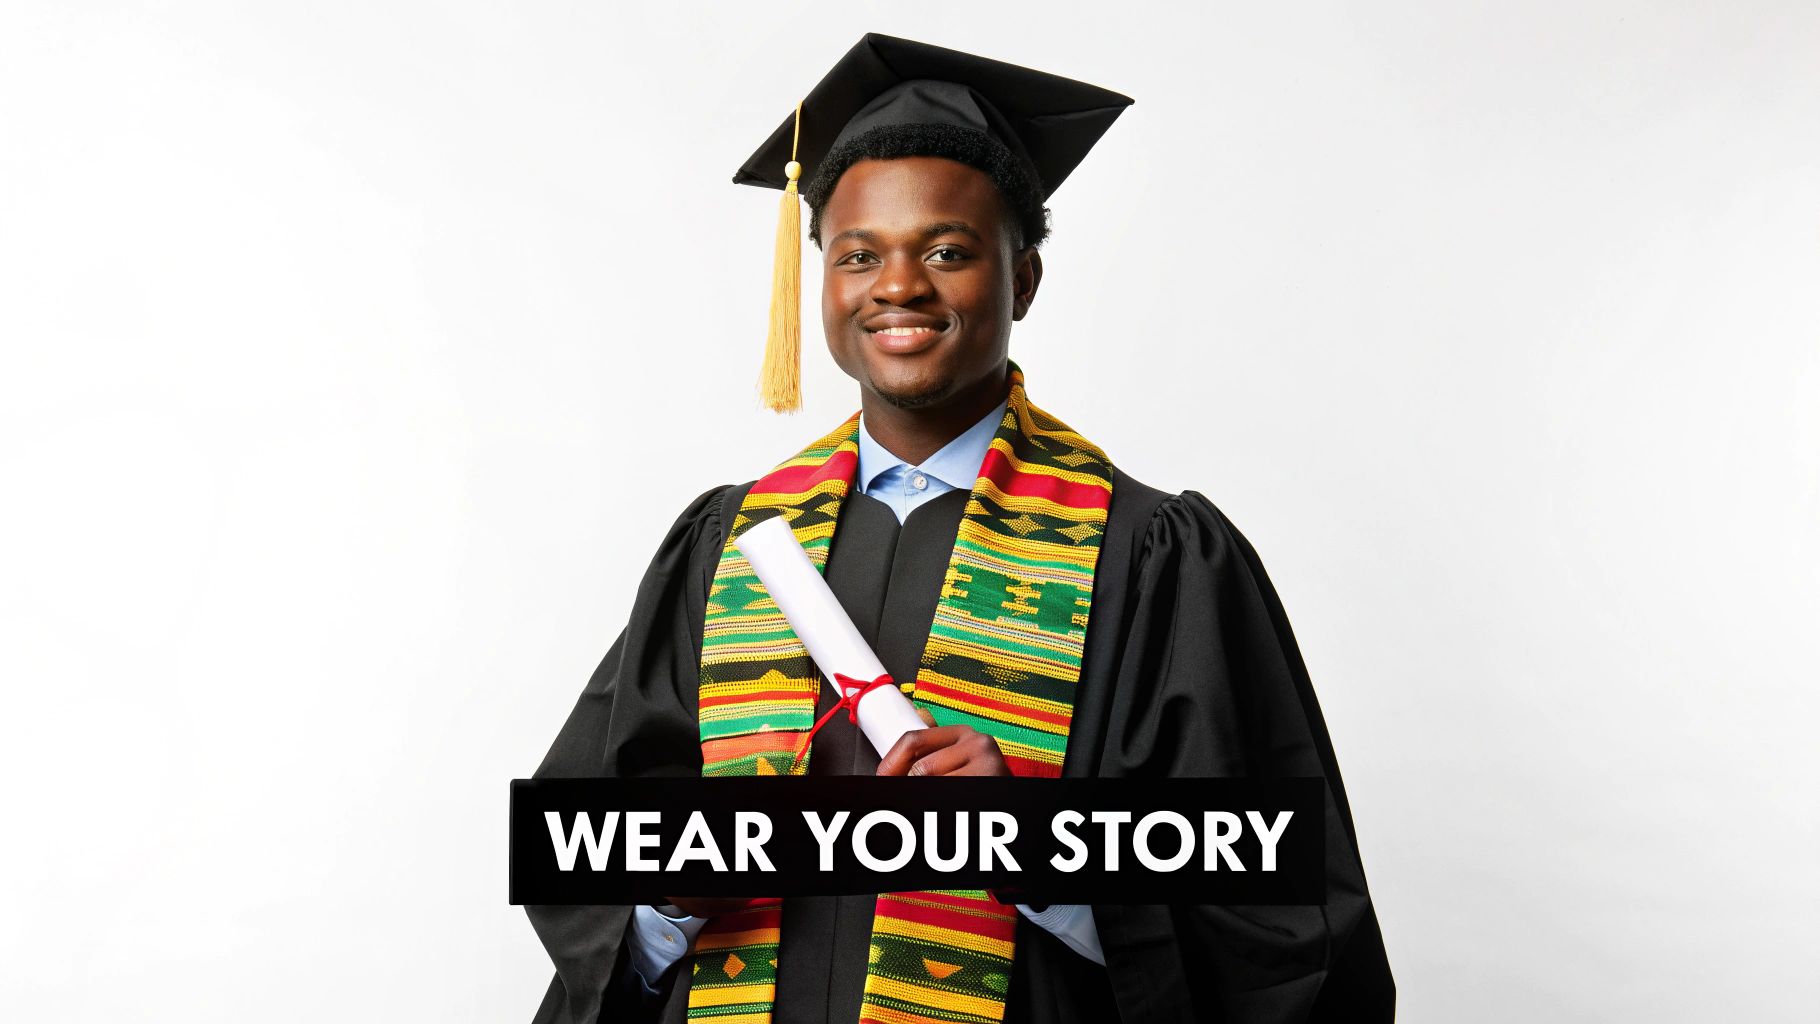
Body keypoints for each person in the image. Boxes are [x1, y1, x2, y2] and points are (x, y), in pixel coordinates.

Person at [525, 33, 1393, 1024]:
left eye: (946, 250)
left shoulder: (1151, 558)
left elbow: (1278, 923)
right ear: (820, 284)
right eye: (858, 256)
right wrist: (666, 898)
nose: (897, 286)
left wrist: (1037, 844)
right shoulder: (730, 545)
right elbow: (593, 857)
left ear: (1021, 280)